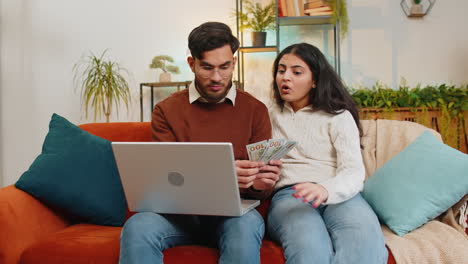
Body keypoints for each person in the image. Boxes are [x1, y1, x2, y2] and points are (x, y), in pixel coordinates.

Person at [119, 22, 282, 264]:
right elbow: (165, 179)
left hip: (236, 216)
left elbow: (262, 186)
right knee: (138, 226)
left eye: (225, 67)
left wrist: (259, 183)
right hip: (178, 216)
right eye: (207, 67)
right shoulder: (166, 110)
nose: (217, 78)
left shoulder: (255, 110)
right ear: (191, 63)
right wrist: (223, 175)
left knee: (244, 229)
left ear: (234, 63)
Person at [266, 43, 388, 264]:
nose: (285, 77)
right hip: (291, 196)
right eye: (281, 70)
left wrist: (325, 188)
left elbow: (353, 171)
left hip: (341, 195)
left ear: (315, 80)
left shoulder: (338, 116)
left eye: (296, 72)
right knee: (311, 249)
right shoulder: (268, 113)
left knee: (364, 245)